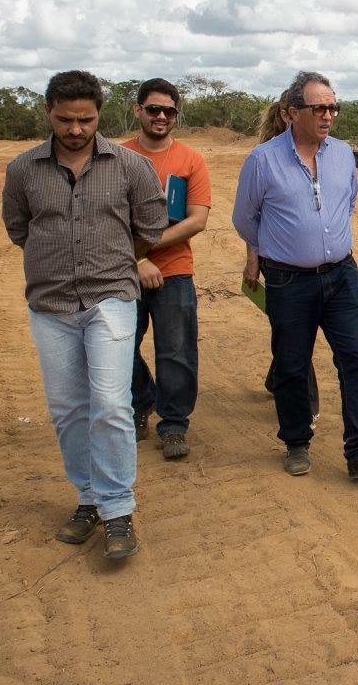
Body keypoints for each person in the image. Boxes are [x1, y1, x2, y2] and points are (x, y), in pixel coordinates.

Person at [1, 69, 167, 559]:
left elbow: (152, 225)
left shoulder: (131, 167)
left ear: (100, 115)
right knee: (69, 410)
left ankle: (118, 510)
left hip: (111, 298)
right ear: (48, 112)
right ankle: (88, 499)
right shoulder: (23, 169)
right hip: (50, 306)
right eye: (65, 119)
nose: (75, 129)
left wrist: (114, 255)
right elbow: (18, 228)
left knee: (112, 405)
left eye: (85, 120)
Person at [232, 71, 358, 479]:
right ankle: (296, 441)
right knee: (291, 364)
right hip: (289, 280)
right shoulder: (263, 159)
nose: (327, 115)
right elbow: (245, 219)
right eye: (318, 107)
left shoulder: (342, 154)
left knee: (356, 360)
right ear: (291, 113)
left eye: (332, 107)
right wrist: (274, 250)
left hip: (342, 275)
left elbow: (349, 201)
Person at [124, 78, 211, 460]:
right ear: (138, 110)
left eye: (169, 111)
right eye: (154, 109)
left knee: (177, 351)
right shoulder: (114, 157)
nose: (161, 116)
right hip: (122, 271)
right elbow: (104, 223)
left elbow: (197, 220)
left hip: (175, 270)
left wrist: (152, 248)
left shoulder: (191, 160)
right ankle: (141, 402)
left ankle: (174, 424)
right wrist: (137, 260)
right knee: (118, 347)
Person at [244, 92, 319, 418]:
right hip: (275, 258)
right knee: (293, 329)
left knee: (291, 327)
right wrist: (252, 258)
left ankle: (278, 377)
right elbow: (251, 215)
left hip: (311, 259)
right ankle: (306, 404)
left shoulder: (315, 153)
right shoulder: (264, 158)